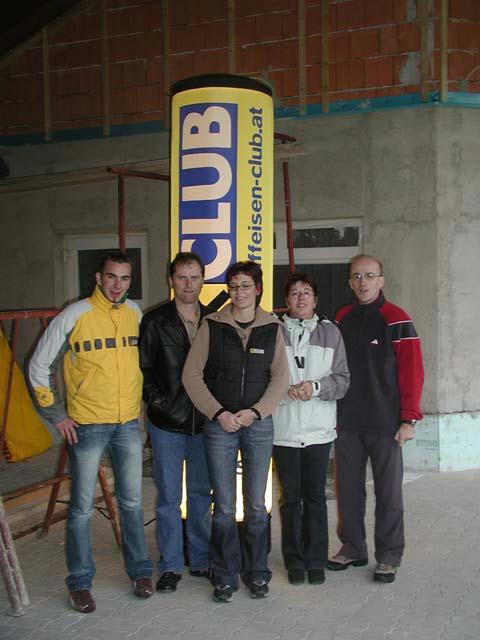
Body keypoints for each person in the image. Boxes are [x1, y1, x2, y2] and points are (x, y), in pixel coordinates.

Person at [29, 252, 153, 613]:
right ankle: (80, 582)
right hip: (86, 426)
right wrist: (56, 415)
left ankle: (140, 572)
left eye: (125, 279)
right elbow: (38, 365)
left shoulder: (135, 314)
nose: (118, 285)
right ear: (98, 278)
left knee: (132, 502)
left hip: (127, 423)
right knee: (82, 508)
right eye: (111, 277)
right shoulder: (75, 314)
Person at [182, 260, 289, 603]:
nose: (238, 292)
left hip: (258, 425)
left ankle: (256, 573)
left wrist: (256, 412)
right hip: (220, 426)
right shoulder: (212, 325)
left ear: (257, 289)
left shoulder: (272, 327)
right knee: (225, 506)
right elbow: (191, 376)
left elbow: (281, 378)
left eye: (245, 285)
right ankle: (224, 575)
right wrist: (218, 413)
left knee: (256, 505)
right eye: (233, 286)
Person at [328, 254, 424, 584]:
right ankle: (353, 548)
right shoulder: (341, 317)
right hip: (347, 423)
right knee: (347, 492)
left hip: (386, 424)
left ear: (381, 281)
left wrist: (409, 419)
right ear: (350, 282)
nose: (363, 282)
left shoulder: (397, 319)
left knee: (389, 494)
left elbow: (412, 372)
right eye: (357, 276)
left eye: (369, 276)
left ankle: (389, 556)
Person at [139, 252, 212, 593]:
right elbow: (144, 369)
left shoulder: (214, 320)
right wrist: (159, 402)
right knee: (169, 497)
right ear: (171, 280)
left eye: (194, 277)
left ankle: (200, 559)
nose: (188, 284)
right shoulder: (155, 321)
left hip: (204, 422)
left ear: (203, 280)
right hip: (166, 422)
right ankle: (169, 564)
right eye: (181, 277)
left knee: (200, 493)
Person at [272, 273, 350, 587]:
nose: (301, 298)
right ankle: (294, 561)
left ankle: (316, 560)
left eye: (307, 292)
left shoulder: (332, 333)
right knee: (290, 498)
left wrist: (315, 387)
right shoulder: (273, 332)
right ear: (286, 300)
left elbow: (342, 381)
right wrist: (284, 391)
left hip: (319, 431)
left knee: (315, 496)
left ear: (316, 300)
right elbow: (262, 377)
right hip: (283, 429)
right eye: (294, 293)